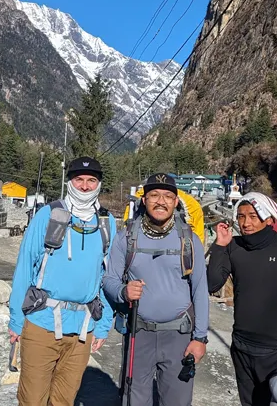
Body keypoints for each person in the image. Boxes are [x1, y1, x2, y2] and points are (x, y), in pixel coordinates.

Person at [8, 156, 117, 406]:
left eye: (91, 180)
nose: (85, 186)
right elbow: (25, 266)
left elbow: (107, 277)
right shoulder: (48, 215)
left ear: (99, 184)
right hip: (41, 323)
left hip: (82, 329)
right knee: (32, 400)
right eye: (79, 179)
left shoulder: (106, 222)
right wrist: (16, 320)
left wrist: (103, 326)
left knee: (64, 401)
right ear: (69, 182)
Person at [102, 173, 209, 406]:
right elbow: (109, 280)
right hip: (138, 333)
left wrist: (200, 338)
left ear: (176, 201)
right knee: (134, 401)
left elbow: (200, 290)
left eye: (168, 196)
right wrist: (123, 291)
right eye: (154, 195)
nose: (161, 201)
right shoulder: (126, 237)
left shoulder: (189, 240)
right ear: (144, 200)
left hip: (179, 337)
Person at [207, 192, 277, 406]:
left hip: (275, 350)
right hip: (241, 346)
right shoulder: (234, 246)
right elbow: (212, 284)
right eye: (241, 216)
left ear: (269, 218)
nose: (246, 223)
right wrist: (220, 245)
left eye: (253, 216)